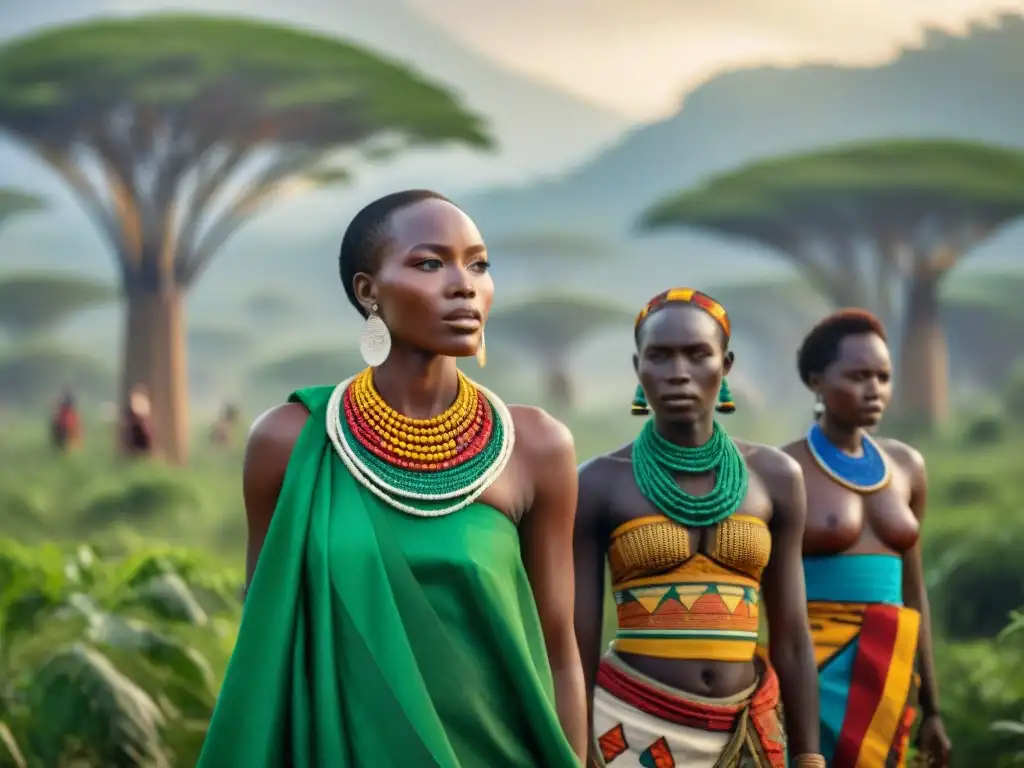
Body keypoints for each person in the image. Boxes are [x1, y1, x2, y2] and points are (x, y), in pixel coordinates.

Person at [197, 190, 587, 767]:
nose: (464, 285)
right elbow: (268, 639)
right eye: (430, 264)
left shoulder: (535, 447)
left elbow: (560, 653)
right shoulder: (290, 442)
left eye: (477, 264)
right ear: (367, 290)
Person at [574, 288, 824, 768]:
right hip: (630, 730)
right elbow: (576, 639)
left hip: (750, 729)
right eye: (660, 356)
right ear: (637, 367)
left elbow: (792, 634)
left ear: (725, 365)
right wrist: (578, 749)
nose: (679, 373)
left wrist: (810, 756)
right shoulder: (600, 482)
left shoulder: (775, 478)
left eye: (697, 354)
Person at [782, 310, 951, 768]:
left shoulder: (906, 466)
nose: (874, 389)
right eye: (858, 376)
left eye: (883, 376)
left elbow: (914, 594)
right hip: (812, 678)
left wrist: (932, 709)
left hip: (890, 675)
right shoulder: (784, 471)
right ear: (818, 381)